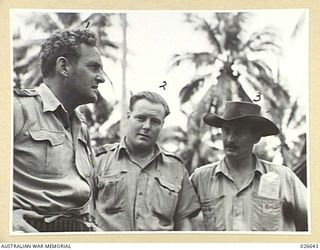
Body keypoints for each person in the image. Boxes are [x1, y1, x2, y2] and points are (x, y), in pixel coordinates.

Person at [13, 29, 106, 232]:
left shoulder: (81, 126)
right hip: (35, 234)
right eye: (93, 67)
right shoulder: (18, 108)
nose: (101, 78)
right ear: (64, 66)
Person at [190, 101, 308, 231]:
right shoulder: (201, 178)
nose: (230, 139)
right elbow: (178, 219)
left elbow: (313, 221)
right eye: (226, 130)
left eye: (239, 132)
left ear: (256, 137)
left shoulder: (284, 177)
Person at [93, 91, 201, 231]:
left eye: (155, 121)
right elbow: (85, 214)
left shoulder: (176, 169)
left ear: (162, 125)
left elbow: (183, 224)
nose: (147, 126)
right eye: (141, 118)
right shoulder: (99, 161)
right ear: (128, 117)